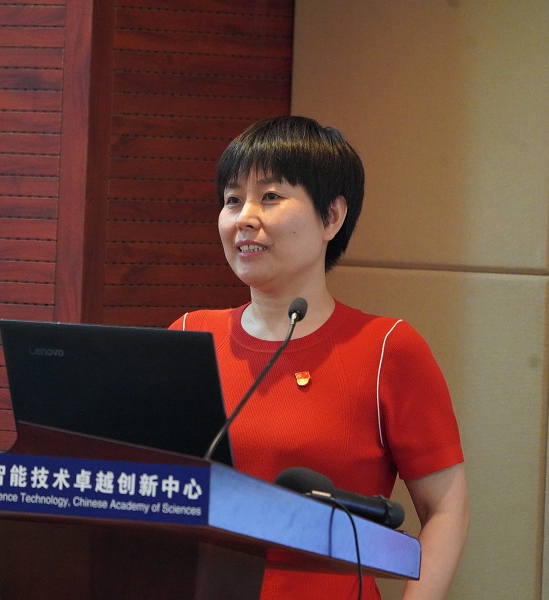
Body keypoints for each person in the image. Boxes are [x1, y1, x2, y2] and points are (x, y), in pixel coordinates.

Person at [170, 116, 469, 600]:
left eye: (270, 196)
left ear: (331, 216)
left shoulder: (387, 348)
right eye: (232, 199)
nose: (245, 217)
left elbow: (447, 510)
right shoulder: (189, 335)